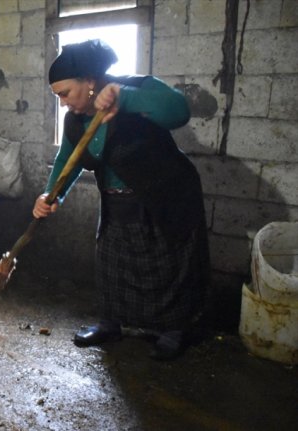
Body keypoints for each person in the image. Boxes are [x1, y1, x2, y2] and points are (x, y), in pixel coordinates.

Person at [34, 39, 209, 360]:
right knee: (113, 265)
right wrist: (50, 193)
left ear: (89, 82)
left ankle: (174, 330)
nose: (62, 103)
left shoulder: (134, 89)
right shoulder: (75, 119)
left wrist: (124, 98)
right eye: (57, 96)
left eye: (64, 94)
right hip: (117, 202)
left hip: (164, 198)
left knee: (169, 266)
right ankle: (110, 324)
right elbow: (67, 159)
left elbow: (179, 110)